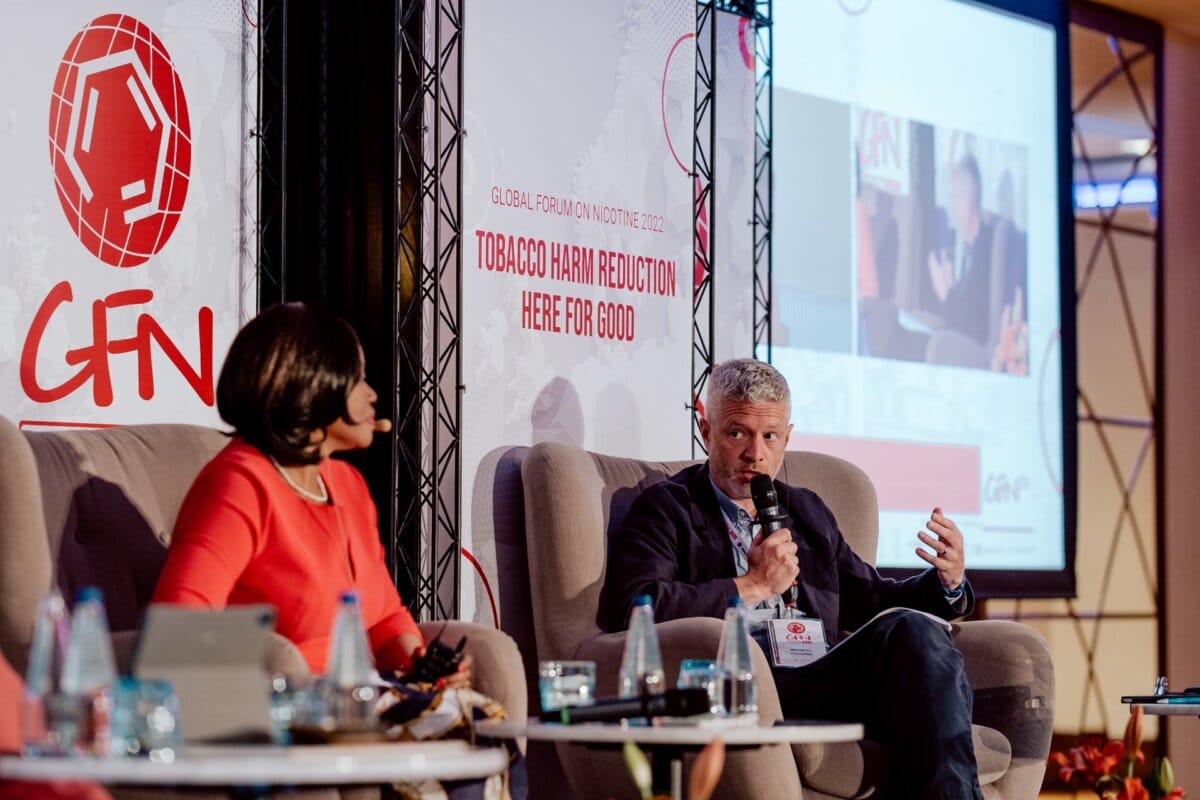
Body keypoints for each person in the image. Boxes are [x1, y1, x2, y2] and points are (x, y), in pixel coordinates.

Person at [598, 358, 982, 799]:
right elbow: (638, 608)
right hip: (746, 680)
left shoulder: (807, 510)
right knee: (931, 684)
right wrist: (753, 585)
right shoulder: (668, 508)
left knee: (918, 637)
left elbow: (871, 599)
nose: (755, 454)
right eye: (738, 433)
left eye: (770, 436)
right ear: (708, 433)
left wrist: (947, 583)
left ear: (787, 439)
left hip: (821, 676)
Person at [153, 302, 470, 686]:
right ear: (312, 384)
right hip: (286, 722)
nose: (372, 395)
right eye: (357, 379)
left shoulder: (347, 484)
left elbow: (384, 618)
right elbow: (179, 628)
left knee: (482, 728)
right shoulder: (240, 482)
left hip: (358, 714)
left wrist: (420, 668)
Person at [927, 151, 994, 347]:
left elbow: (972, 329)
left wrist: (944, 293)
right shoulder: (970, 246)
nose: (953, 209)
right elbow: (967, 307)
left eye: (956, 198)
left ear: (970, 200)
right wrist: (952, 289)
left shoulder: (985, 249)